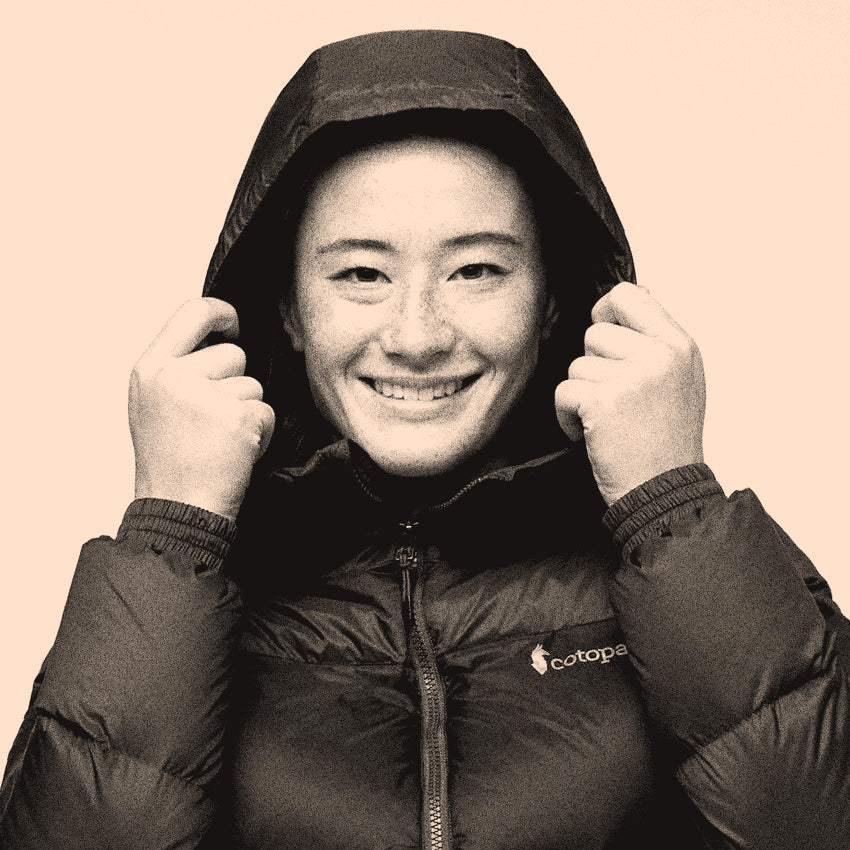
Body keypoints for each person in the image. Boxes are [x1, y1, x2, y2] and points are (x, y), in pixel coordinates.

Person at [1, 29, 848, 850]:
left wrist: (671, 507)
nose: (417, 336)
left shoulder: (689, 563)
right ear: (288, 308)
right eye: (361, 273)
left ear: (551, 299)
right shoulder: (183, 591)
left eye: (476, 270)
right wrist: (172, 531)